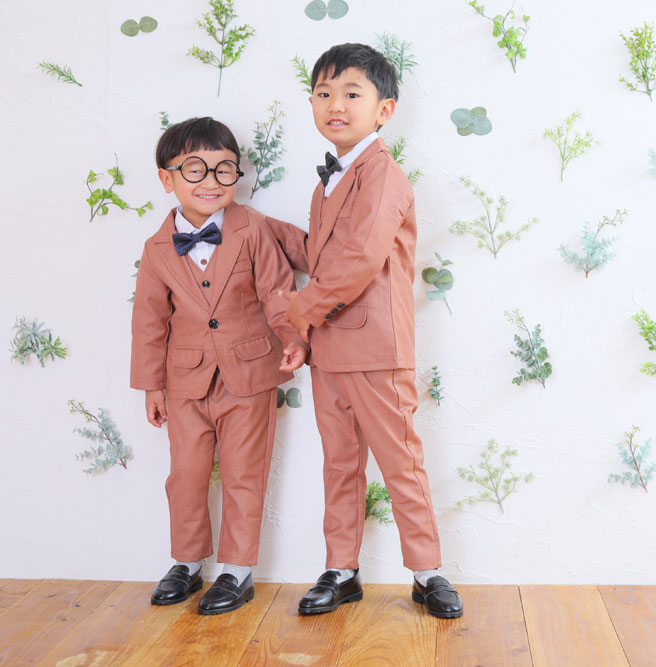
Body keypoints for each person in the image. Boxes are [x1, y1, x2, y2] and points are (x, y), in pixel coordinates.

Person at [272, 43, 463, 618]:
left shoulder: (383, 175)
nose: (336, 104)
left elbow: (357, 262)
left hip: (378, 349)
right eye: (324, 93)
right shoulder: (326, 185)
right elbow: (322, 256)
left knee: (401, 461)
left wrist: (298, 311)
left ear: (384, 110)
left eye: (351, 93)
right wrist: (257, 227)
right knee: (339, 465)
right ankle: (341, 570)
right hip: (330, 351)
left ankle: (428, 573)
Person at [131, 117, 307, 615]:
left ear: (236, 174)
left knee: (243, 474)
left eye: (224, 169)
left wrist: (293, 337)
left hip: (249, 374)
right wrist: (151, 386)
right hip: (184, 380)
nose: (211, 181)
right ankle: (186, 563)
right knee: (185, 475)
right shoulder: (157, 248)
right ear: (167, 179)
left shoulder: (252, 228)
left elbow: (277, 292)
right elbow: (149, 321)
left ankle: (236, 570)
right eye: (195, 169)